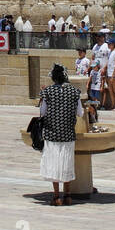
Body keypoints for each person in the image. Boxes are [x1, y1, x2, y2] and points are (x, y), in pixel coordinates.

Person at [38, 64, 84, 205]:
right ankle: (68, 195)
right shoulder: (74, 92)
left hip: (52, 134)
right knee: (66, 163)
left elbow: (42, 112)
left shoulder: (48, 92)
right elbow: (80, 113)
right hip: (68, 134)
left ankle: (57, 196)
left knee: (54, 164)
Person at [103, 38, 115, 109]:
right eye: (108, 44)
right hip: (109, 73)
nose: (108, 45)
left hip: (114, 74)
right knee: (110, 90)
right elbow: (108, 61)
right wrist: (105, 68)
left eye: (109, 44)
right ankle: (113, 104)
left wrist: (113, 75)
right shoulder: (110, 52)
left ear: (113, 44)